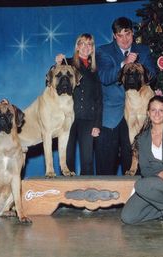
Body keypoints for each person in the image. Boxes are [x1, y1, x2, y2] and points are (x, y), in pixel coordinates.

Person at [95, 16, 156, 175]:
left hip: (138, 114)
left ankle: (134, 199)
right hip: (112, 116)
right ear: (114, 36)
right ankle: (104, 200)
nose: (124, 39)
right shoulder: (103, 51)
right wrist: (124, 64)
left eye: (127, 34)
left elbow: (152, 75)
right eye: (120, 35)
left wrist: (137, 68)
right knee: (106, 167)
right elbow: (105, 77)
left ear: (132, 33)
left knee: (134, 166)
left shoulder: (143, 50)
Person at [121, 96, 163, 224]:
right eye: (153, 110)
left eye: (161, 110)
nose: (157, 114)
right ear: (148, 113)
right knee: (128, 217)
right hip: (151, 183)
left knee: (140, 185)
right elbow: (144, 169)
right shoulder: (142, 138)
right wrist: (162, 173)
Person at [55, 33, 102, 175]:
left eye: (89, 44)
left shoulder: (96, 69)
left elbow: (99, 98)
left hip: (89, 119)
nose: (86, 47)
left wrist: (97, 124)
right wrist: (57, 65)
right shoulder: (66, 63)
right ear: (77, 47)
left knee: (87, 160)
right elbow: (51, 83)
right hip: (68, 117)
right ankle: (66, 194)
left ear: (93, 49)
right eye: (82, 43)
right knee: (67, 158)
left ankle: (87, 194)